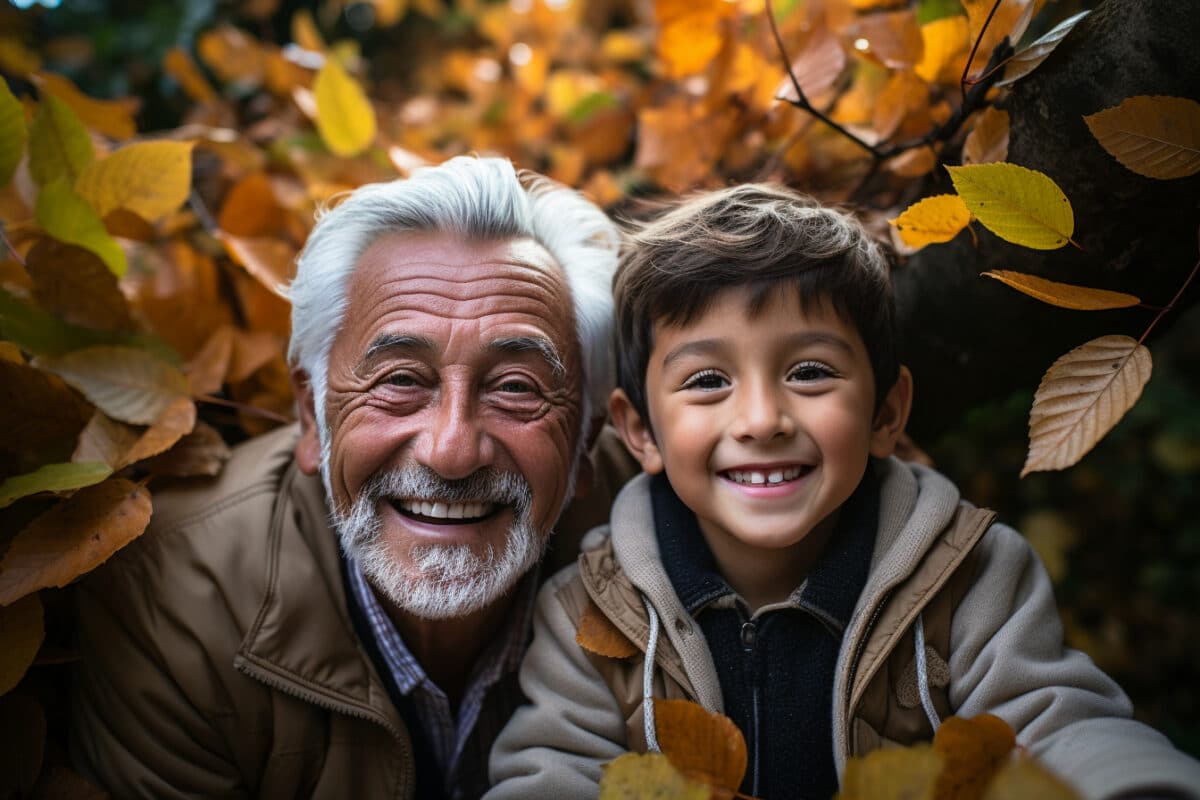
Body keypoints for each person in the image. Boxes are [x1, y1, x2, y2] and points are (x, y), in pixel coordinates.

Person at [486, 184, 1200, 799]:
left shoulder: (967, 577)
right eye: (708, 381)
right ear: (639, 431)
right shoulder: (591, 617)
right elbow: (554, 774)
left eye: (810, 373)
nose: (762, 420)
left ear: (887, 413)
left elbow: (1057, 726)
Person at [69, 156, 639, 799]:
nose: (450, 451)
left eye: (515, 388)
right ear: (312, 417)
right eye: (400, 380)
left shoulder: (663, 539)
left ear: (588, 439)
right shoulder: (177, 601)